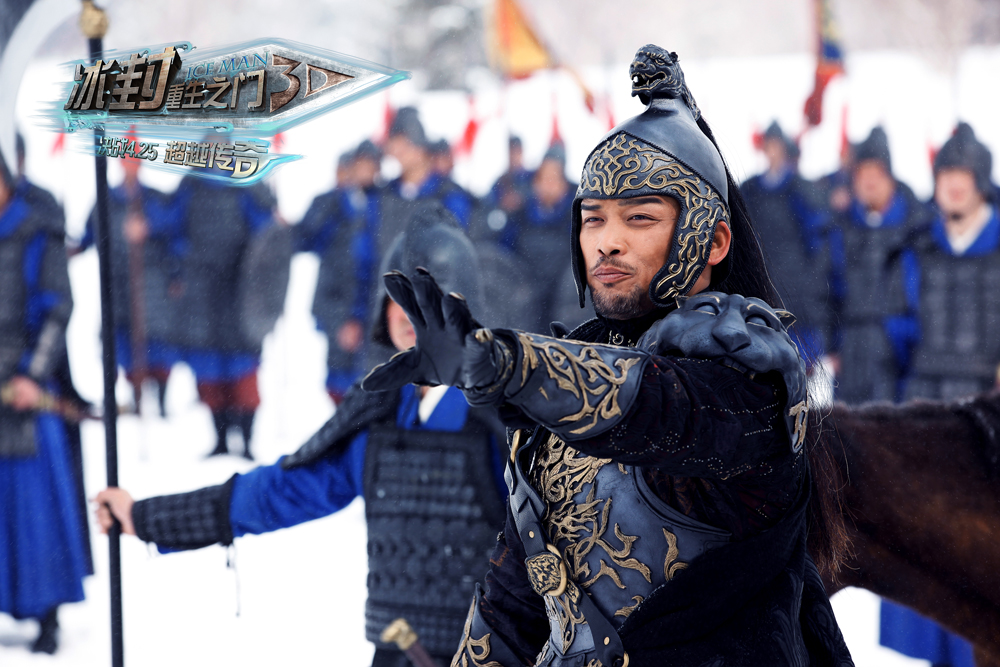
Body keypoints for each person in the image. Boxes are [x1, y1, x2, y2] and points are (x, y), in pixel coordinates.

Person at [362, 44, 852, 666]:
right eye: (593, 219)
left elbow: (658, 405)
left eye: (639, 218)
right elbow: (511, 607)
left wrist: (511, 365)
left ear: (713, 240)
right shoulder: (558, 398)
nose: (608, 241)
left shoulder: (752, 375)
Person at [95, 204, 509, 667]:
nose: (407, 314)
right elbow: (281, 491)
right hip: (397, 651)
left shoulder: (504, 414)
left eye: (425, 298)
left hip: (493, 652)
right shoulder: (379, 411)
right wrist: (150, 518)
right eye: (398, 297)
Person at [877, 123, 998, 667]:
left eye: (962, 174)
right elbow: (896, 338)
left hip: (988, 420)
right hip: (925, 415)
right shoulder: (915, 252)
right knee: (930, 548)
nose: (952, 183)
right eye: (945, 173)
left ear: (981, 181)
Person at [0, 155, 89, 654]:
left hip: (27, 394)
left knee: (35, 511)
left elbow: (57, 309)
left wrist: (32, 375)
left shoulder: (37, 231)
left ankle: (48, 615)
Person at [167, 172, 281, 460]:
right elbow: (175, 228)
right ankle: (219, 439)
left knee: (243, 369)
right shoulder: (192, 185)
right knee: (209, 370)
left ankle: (246, 440)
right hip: (201, 287)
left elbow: (266, 234)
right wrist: (179, 268)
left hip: (240, 286)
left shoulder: (246, 182)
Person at [828, 126, 932, 404]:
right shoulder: (841, 228)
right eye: (862, 174)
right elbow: (828, 289)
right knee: (849, 425)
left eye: (876, 173)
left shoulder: (917, 227)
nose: (869, 181)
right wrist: (831, 345)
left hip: (899, 349)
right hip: (851, 347)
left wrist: (904, 337)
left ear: (890, 177)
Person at [76, 149, 181, 417]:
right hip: (117, 284)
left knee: (157, 343)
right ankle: (135, 399)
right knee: (122, 342)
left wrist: (149, 226)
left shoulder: (154, 198)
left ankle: (161, 402)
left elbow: (174, 232)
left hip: (152, 284)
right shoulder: (107, 199)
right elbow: (90, 232)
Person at [741, 121, 832, 364]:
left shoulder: (798, 189)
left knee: (799, 360)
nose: (772, 152)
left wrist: (811, 279)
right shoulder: (751, 190)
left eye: (777, 146)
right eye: (769, 146)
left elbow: (817, 238)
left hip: (797, 287)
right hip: (763, 281)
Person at [297, 148, 366, 403]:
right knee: (338, 375)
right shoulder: (327, 202)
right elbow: (304, 239)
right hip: (333, 297)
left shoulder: (376, 201)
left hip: (365, 297)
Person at [497, 142, 578, 333]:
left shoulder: (576, 216)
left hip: (564, 302)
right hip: (526, 301)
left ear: (564, 185)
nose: (548, 186)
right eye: (543, 178)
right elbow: (503, 255)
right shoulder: (520, 215)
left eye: (554, 179)